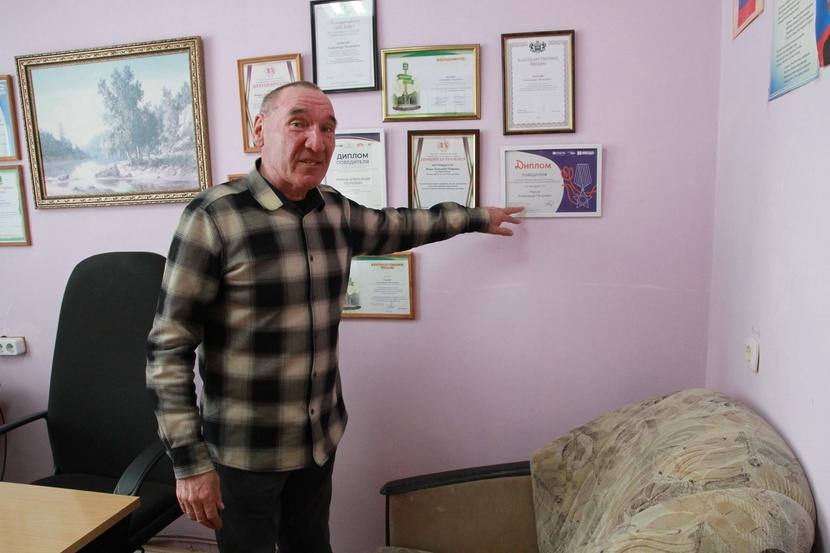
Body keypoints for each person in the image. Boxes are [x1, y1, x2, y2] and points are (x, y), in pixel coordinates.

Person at [146, 80, 522, 553]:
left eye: (328, 128)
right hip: (245, 453)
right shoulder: (214, 217)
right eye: (298, 124)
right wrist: (189, 463)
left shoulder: (334, 211)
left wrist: (476, 217)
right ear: (260, 129)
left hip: (318, 440)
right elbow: (168, 347)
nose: (317, 141)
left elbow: (400, 225)